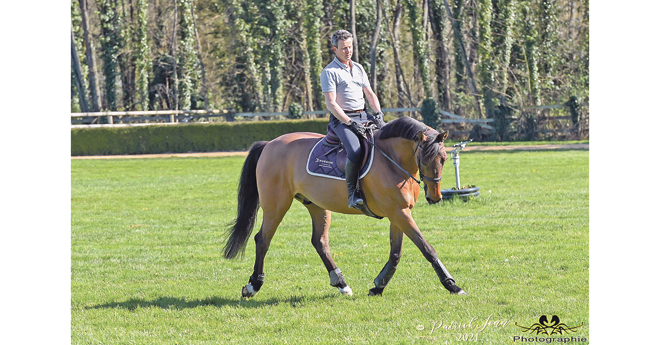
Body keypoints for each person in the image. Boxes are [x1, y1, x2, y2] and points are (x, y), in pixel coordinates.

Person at [320, 29, 386, 210]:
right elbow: (331, 104)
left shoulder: (358, 68)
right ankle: (352, 194)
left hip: (363, 114)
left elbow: (370, 94)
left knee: (387, 140)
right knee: (355, 152)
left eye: (350, 47)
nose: (348, 51)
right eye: (343, 48)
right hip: (342, 119)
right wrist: (349, 122)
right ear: (335, 49)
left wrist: (378, 113)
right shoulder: (329, 72)